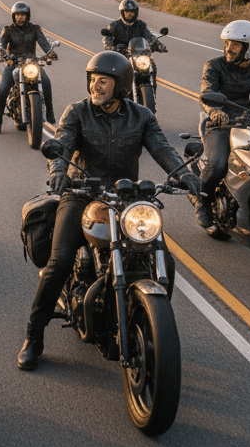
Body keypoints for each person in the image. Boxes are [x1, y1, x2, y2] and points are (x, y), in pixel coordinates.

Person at [16, 51, 200, 371]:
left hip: (126, 198)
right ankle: (34, 336)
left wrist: (185, 175)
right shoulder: (77, 112)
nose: (95, 86)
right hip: (81, 195)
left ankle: (150, 325)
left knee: (164, 261)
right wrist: (59, 173)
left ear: (122, 85)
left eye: (103, 81)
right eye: (92, 79)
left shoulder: (141, 116)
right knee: (58, 262)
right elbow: (62, 144)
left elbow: (163, 149)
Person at [195, 20, 250, 231]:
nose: (228, 49)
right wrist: (215, 112)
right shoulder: (215, 65)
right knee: (218, 163)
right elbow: (206, 94)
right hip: (222, 124)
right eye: (226, 43)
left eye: (234, 45)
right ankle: (202, 201)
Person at [0, 1, 56, 132]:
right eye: (17, 15)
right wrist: (2, 54)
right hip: (13, 62)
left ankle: (49, 113)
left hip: (31, 63)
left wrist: (50, 52)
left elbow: (44, 44)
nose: (20, 17)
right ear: (13, 16)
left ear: (27, 16)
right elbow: (2, 46)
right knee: (3, 89)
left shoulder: (35, 29)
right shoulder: (8, 29)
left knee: (46, 81)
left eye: (23, 15)